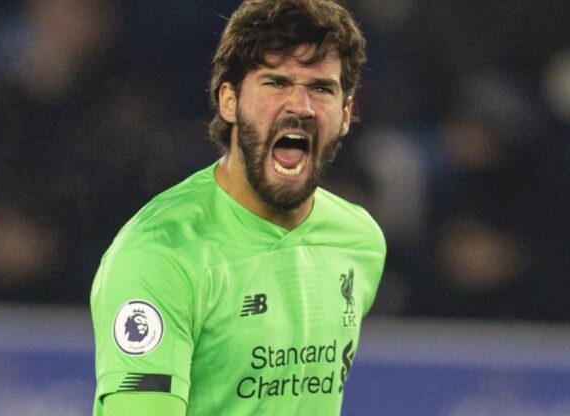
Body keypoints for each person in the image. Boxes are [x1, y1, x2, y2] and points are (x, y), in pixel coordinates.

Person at [90, 1, 386, 414]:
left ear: (346, 113)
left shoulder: (359, 240)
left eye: (321, 88)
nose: (300, 106)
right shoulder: (158, 255)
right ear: (229, 101)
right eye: (276, 83)